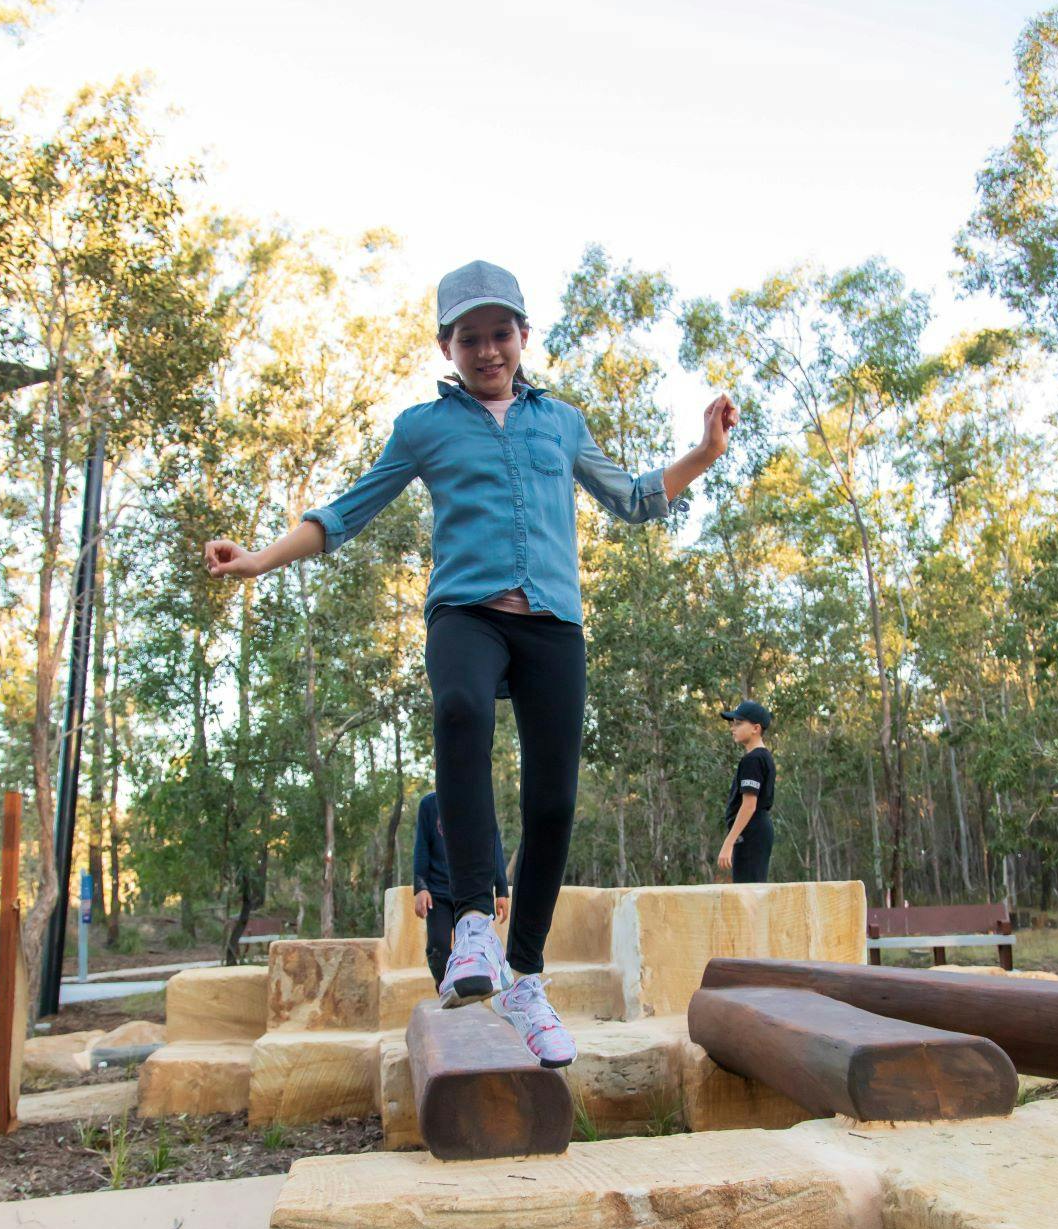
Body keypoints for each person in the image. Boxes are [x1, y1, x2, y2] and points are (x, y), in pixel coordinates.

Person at [205, 259, 737, 1068]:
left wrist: (702, 452)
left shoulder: (560, 422)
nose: (487, 350)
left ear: (523, 337)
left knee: (554, 799)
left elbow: (632, 498)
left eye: (500, 334)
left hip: (553, 625)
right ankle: (472, 928)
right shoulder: (424, 426)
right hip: (465, 614)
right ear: (446, 345)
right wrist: (257, 561)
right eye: (469, 338)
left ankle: (525, 978)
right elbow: (345, 512)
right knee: (457, 709)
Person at [413, 791, 509, 991]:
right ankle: (447, 989)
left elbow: (493, 845)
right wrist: (420, 887)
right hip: (438, 893)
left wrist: (501, 889)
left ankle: (470, 992)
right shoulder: (429, 805)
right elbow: (421, 845)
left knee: (470, 947)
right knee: (437, 948)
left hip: (471, 891)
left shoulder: (479, 800)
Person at [717, 700, 776, 883]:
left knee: (748, 895)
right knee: (751, 891)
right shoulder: (763, 757)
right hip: (756, 830)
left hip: (751, 831)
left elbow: (749, 805)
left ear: (755, 728)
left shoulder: (754, 759)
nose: (733, 728)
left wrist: (729, 842)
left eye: (739, 723)